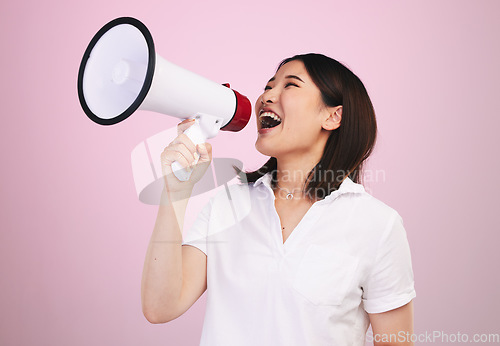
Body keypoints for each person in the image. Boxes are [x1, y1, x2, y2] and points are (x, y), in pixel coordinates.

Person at [141, 53, 416, 345]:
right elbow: (160, 307)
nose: (267, 95)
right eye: (269, 86)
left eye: (290, 85)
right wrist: (175, 193)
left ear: (332, 116)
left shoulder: (377, 225)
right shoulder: (227, 206)